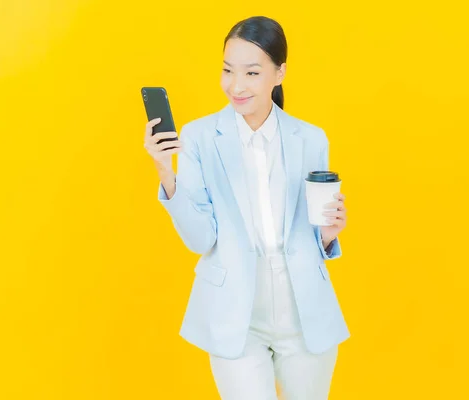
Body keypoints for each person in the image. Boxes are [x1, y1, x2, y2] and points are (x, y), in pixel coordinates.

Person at [143, 15, 350, 400]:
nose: (236, 86)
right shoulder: (199, 137)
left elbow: (311, 236)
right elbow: (200, 238)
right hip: (236, 315)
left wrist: (327, 236)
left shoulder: (311, 139)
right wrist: (165, 172)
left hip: (305, 313)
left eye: (252, 73)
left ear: (279, 73)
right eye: (227, 71)